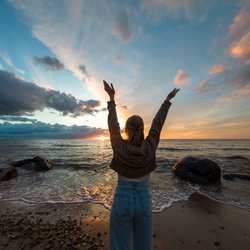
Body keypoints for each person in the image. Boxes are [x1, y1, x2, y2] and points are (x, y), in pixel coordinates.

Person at [103, 80, 179, 250]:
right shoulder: (151, 145)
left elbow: (112, 125)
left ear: (126, 130)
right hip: (144, 201)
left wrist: (111, 97)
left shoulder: (119, 146)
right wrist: (167, 101)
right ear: (142, 129)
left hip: (122, 199)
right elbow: (158, 124)